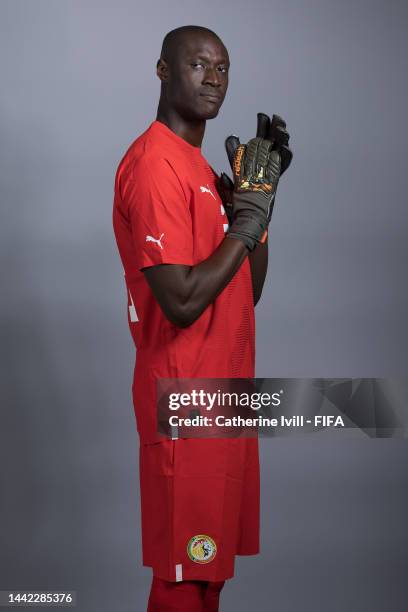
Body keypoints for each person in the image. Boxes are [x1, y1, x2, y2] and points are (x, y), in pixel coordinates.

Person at [112, 24, 292, 612]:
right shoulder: (154, 165)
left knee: (210, 575)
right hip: (183, 399)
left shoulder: (200, 169)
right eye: (198, 65)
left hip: (225, 397)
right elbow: (183, 301)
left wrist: (254, 203)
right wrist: (243, 223)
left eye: (224, 67)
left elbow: (247, 291)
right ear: (163, 71)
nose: (214, 78)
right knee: (184, 575)